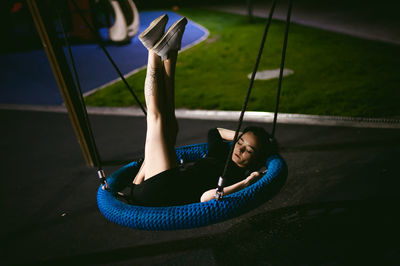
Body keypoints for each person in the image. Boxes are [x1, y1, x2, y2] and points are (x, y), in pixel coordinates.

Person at [128, 14, 278, 207]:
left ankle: (152, 51)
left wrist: (247, 182)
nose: (239, 149)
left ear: (255, 159)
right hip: (157, 181)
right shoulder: (220, 153)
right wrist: (245, 135)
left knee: (156, 119)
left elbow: (206, 198)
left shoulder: (234, 175)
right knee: (171, 126)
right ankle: (169, 54)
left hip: (161, 192)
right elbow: (214, 132)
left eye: (248, 150)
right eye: (239, 142)